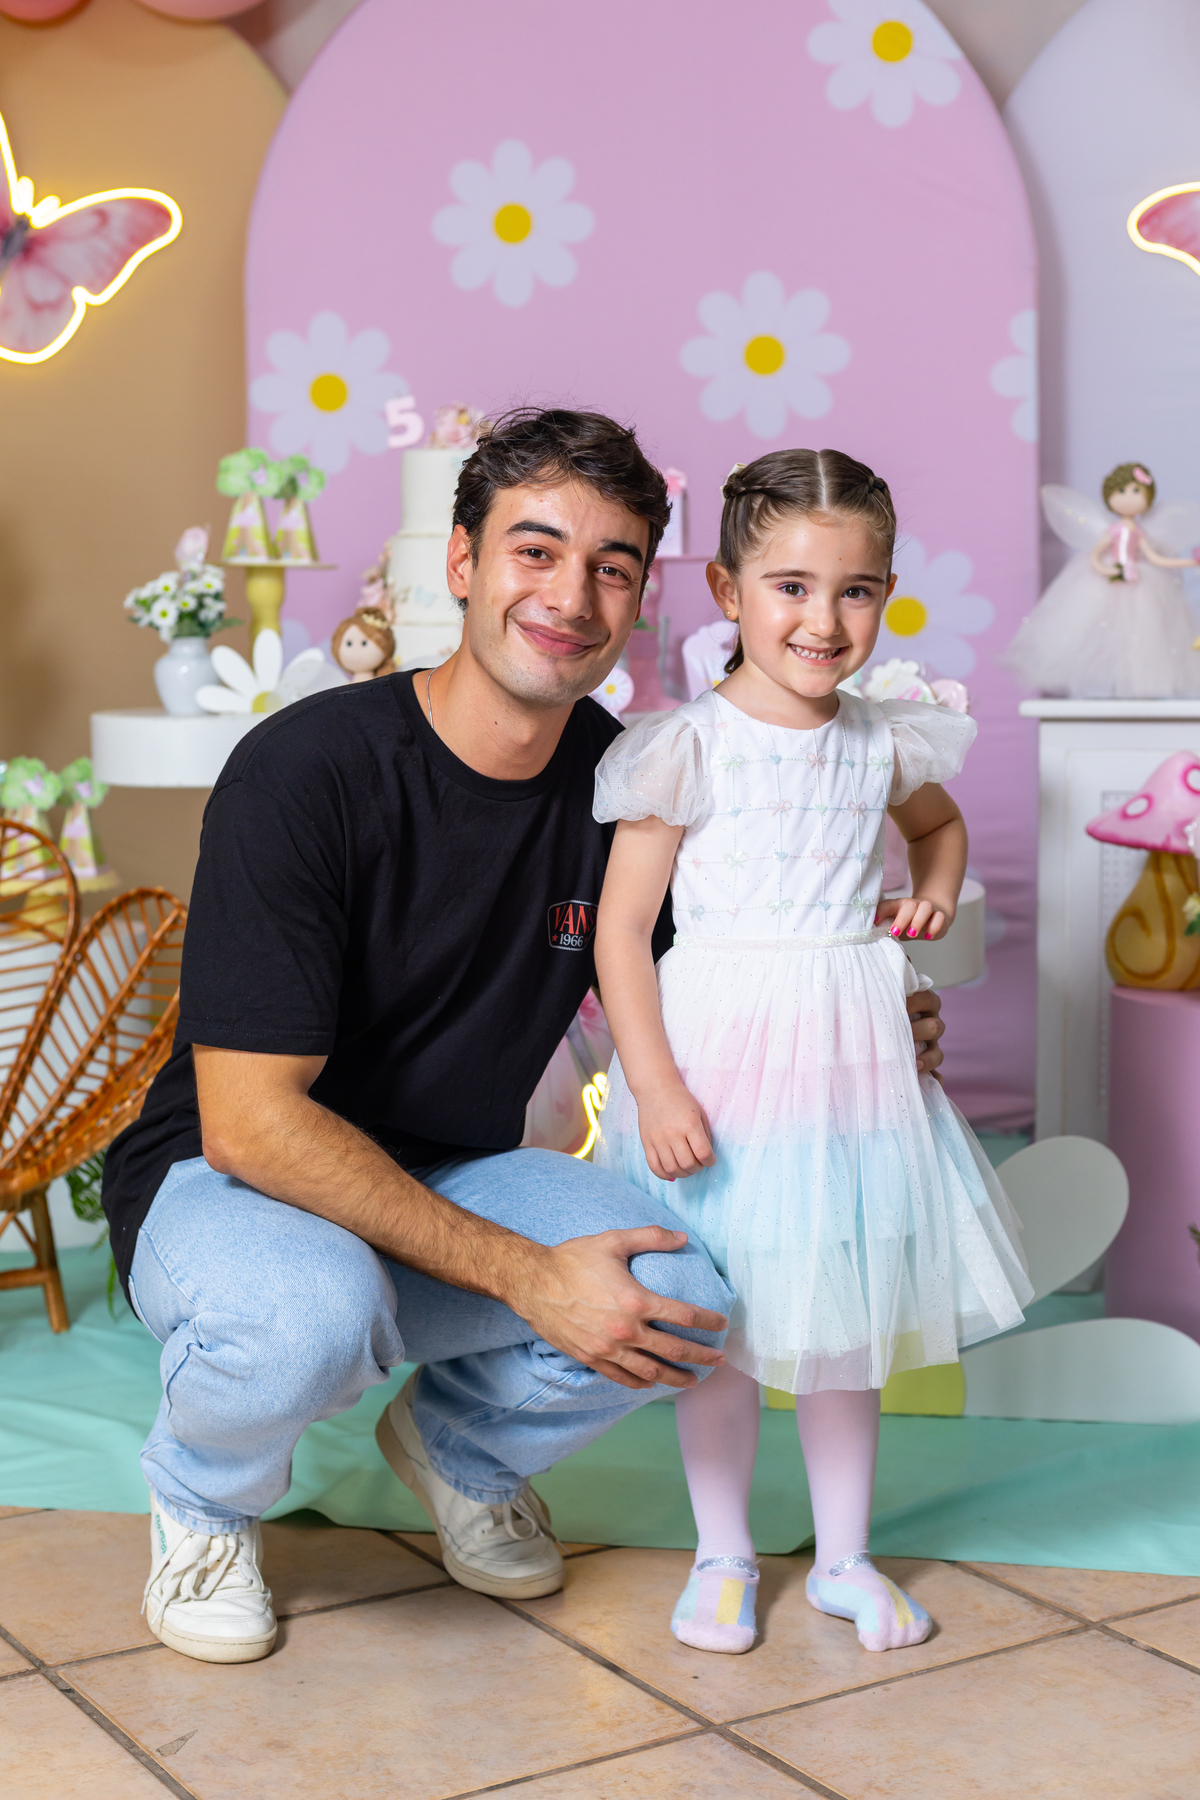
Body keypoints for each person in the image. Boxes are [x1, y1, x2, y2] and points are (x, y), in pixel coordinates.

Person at [101, 412, 949, 1667]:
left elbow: (726, 982)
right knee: (310, 1313)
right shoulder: (305, 771)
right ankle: (202, 1501)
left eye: (611, 566)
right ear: (462, 562)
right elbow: (251, 1124)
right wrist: (526, 1276)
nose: (570, 596)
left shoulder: (629, 776)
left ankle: (459, 1450)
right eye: (535, 551)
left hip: (458, 1169)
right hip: (234, 1181)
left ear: (645, 598)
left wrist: (871, 1021)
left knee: (684, 1295)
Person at [592, 448, 1030, 1658]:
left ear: (885, 594)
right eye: (790, 587)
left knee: (843, 1325)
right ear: (727, 591)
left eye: (856, 591)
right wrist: (654, 1086)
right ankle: (722, 1552)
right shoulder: (689, 747)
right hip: (720, 1063)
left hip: (848, 1063)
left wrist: (931, 889)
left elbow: (936, 828)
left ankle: (843, 1557)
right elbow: (622, 933)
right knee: (720, 1324)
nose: (823, 621)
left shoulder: (881, 740)